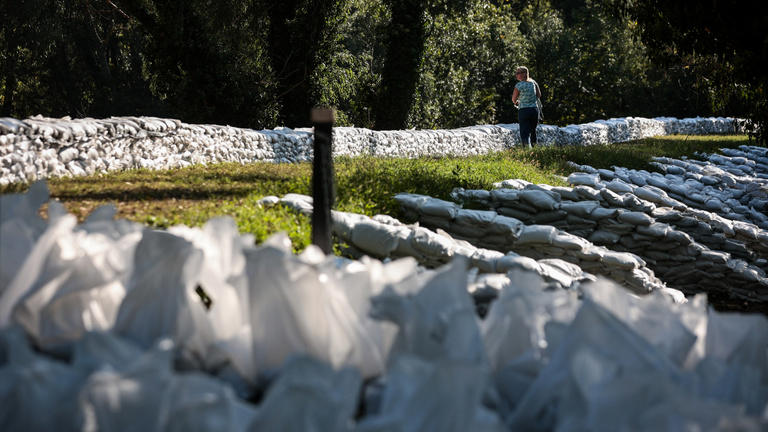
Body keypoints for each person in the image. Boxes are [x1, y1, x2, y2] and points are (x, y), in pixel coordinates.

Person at [511, 66, 542, 148]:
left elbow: (513, 99)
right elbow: (539, 95)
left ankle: (526, 151)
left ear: (524, 74)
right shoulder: (533, 83)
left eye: (518, 73)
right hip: (534, 110)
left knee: (524, 132)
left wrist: (516, 102)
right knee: (533, 131)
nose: (516, 75)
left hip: (523, 110)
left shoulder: (519, 85)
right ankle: (535, 149)